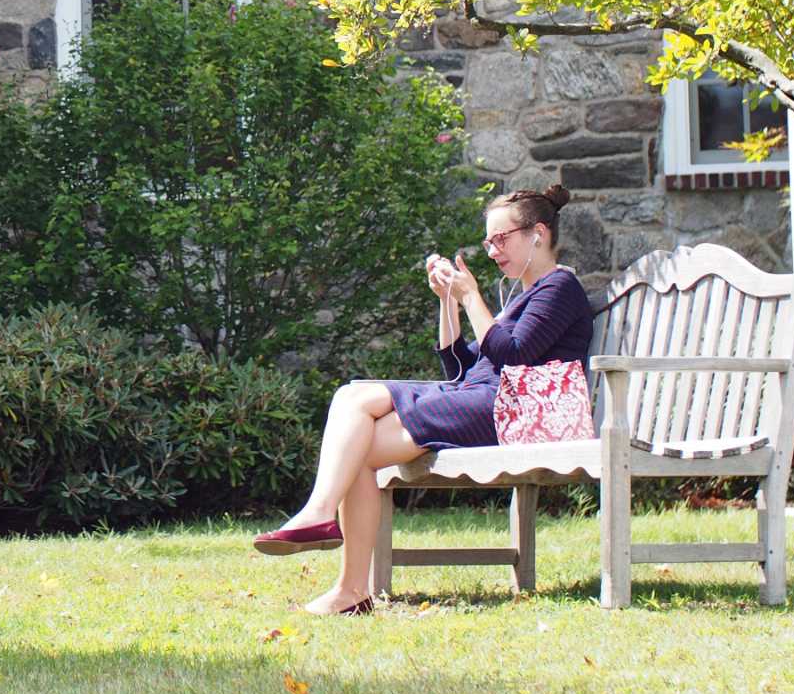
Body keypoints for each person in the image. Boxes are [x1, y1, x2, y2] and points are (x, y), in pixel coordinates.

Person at [250, 185, 593, 616]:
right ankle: (350, 591)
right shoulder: (520, 297)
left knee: (354, 400)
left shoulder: (560, 287)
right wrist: (449, 302)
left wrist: (471, 297)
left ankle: (319, 516)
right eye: (489, 241)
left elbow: (513, 354)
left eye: (501, 239)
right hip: (483, 398)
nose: (492, 251)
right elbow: (461, 367)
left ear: (538, 234)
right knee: (357, 433)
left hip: (510, 411)